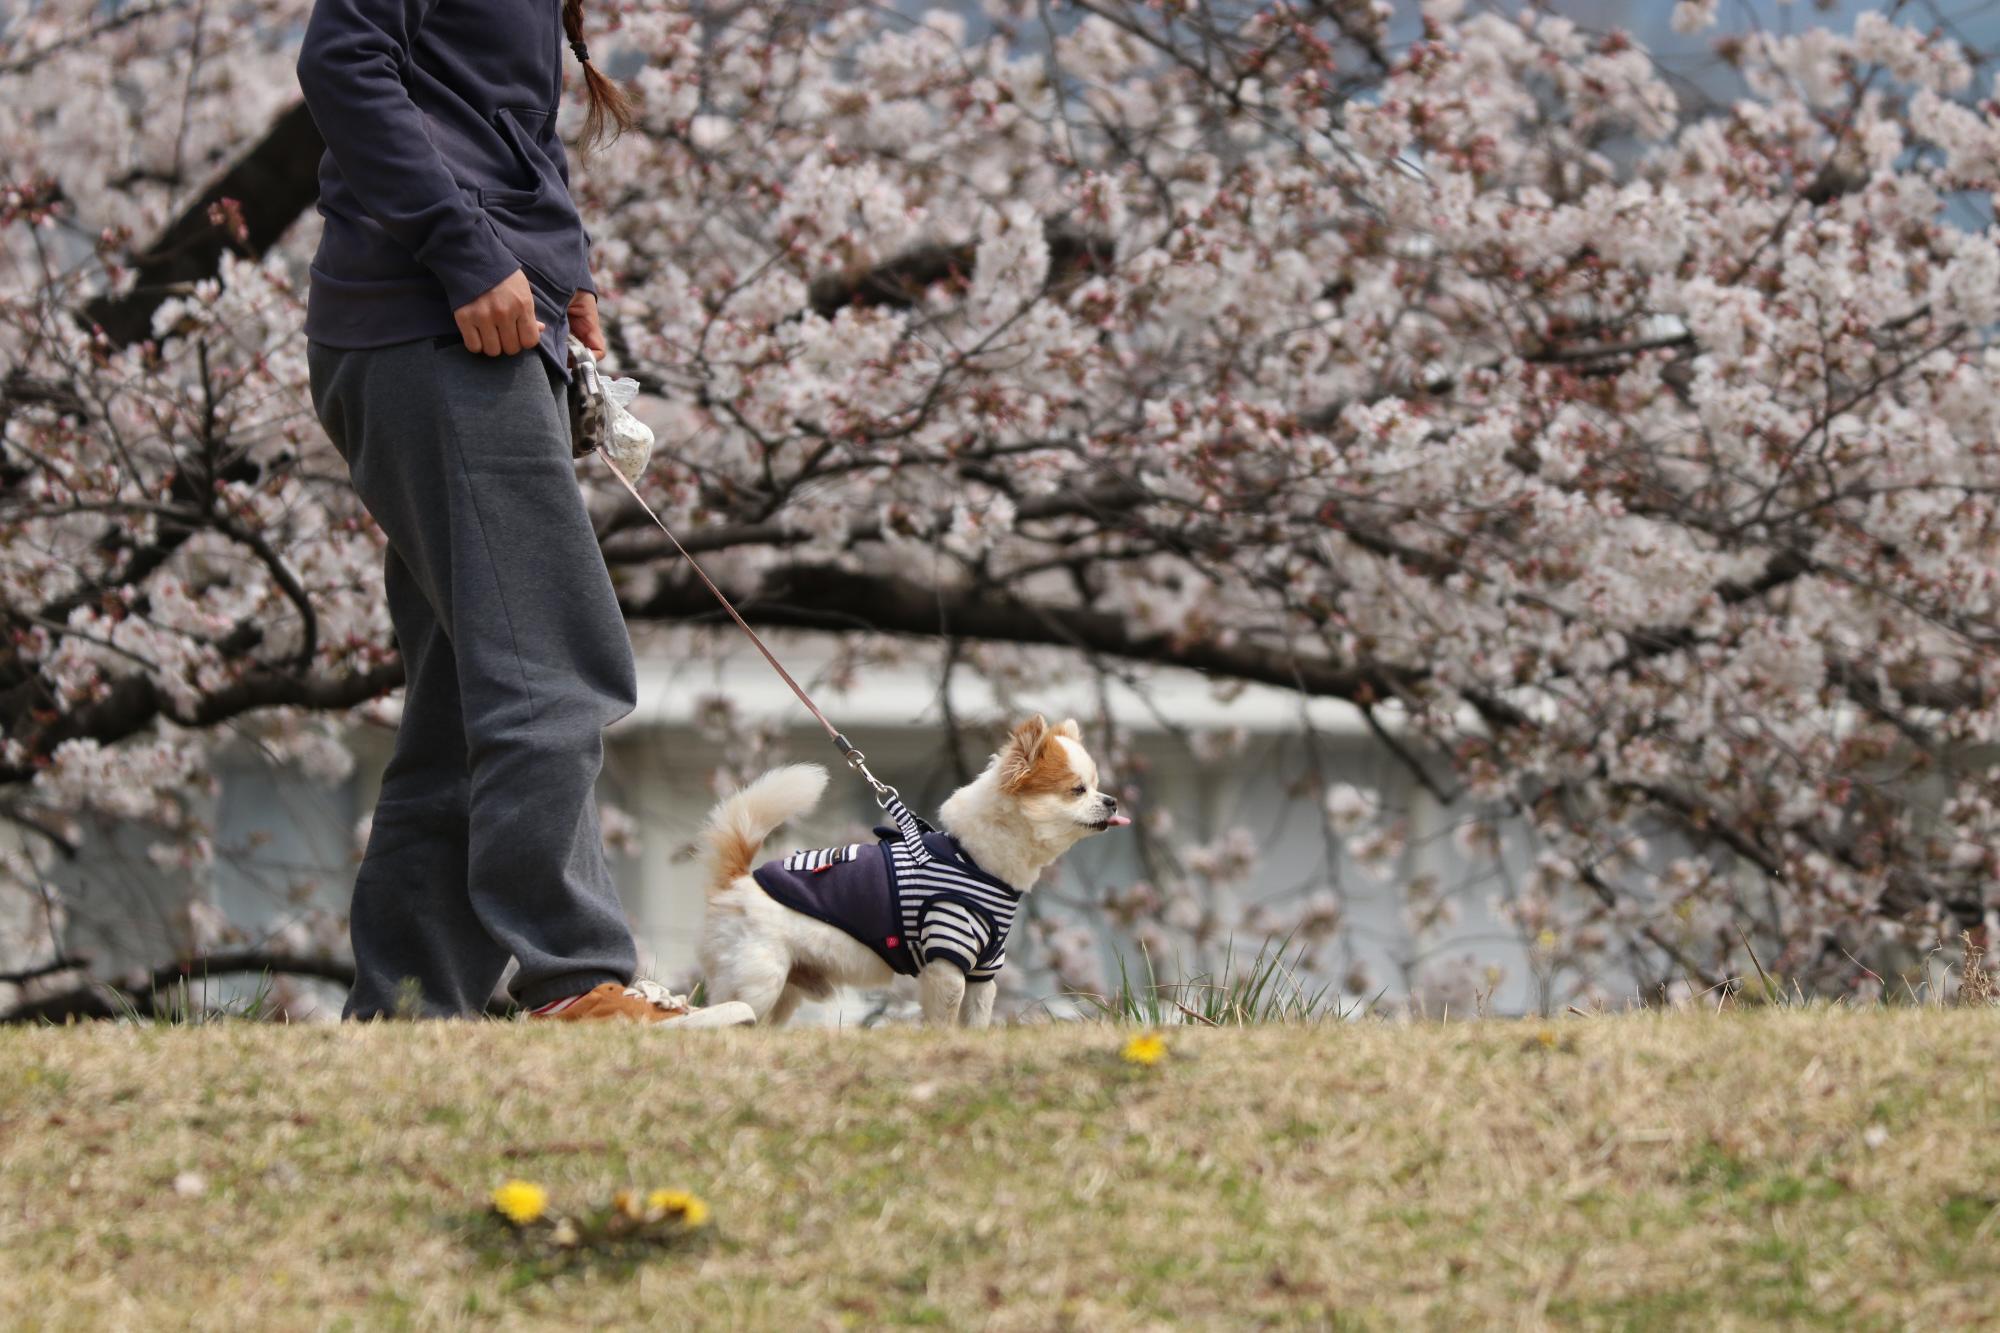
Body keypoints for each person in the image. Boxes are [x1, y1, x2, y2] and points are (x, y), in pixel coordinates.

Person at [297, 0, 748, 1026]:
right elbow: (342, 63)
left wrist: (561, 282)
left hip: (479, 329)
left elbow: (490, 119)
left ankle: (408, 1011)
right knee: (552, 664)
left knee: (466, 697)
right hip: (435, 330)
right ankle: (576, 978)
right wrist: (462, 251)